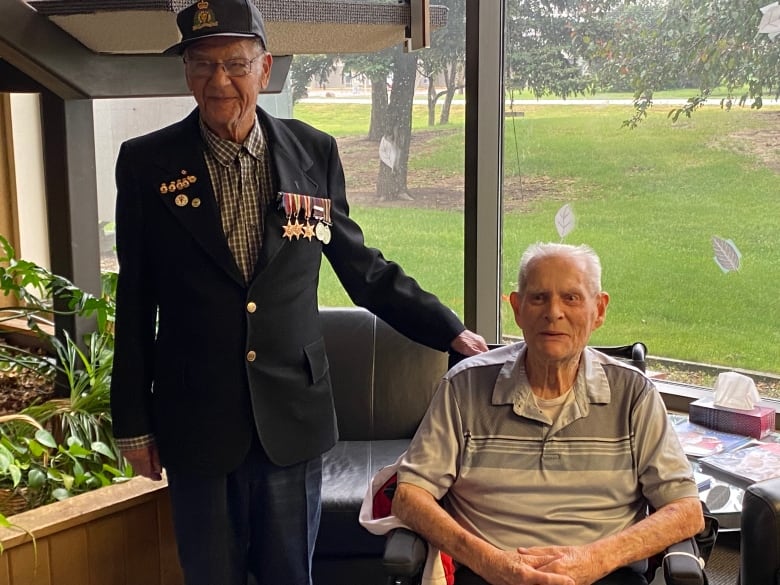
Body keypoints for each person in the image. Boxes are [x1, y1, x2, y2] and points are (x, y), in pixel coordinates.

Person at [109, 1, 488, 584]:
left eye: (235, 64)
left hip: (292, 415)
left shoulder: (313, 152)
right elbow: (135, 299)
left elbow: (360, 267)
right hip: (195, 418)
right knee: (211, 575)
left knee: (291, 574)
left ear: (266, 70)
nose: (219, 81)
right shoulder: (145, 163)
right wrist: (133, 421)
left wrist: (446, 328)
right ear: (186, 72)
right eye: (202, 64)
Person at [391, 242, 704, 585]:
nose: (553, 312)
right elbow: (409, 496)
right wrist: (491, 562)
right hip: (489, 574)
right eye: (538, 297)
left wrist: (595, 559)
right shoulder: (462, 387)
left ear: (599, 310)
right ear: (517, 308)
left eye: (571, 298)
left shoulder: (634, 394)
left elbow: (686, 511)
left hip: (603, 574)